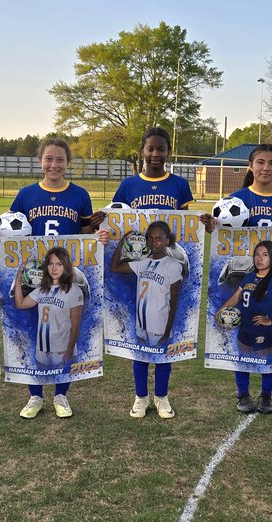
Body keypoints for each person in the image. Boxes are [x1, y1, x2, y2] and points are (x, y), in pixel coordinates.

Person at [99, 127, 194, 419]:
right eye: (150, 148)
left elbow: (186, 229)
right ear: (142, 150)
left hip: (167, 266)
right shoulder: (128, 185)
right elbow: (117, 221)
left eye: (161, 149)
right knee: (139, 337)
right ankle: (140, 396)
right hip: (139, 267)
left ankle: (162, 396)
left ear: (168, 152)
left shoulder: (179, 185)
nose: (155, 154)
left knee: (163, 334)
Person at [202, 144, 272, 413]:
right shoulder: (236, 199)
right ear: (250, 166)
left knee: (270, 336)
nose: (266, 168)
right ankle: (243, 394)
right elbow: (222, 235)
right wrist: (211, 227)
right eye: (260, 162)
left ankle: (266, 395)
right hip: (246, 276)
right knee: (243, 335)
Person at [9, 137, 97, 417]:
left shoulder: (80, 195)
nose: (54, 164)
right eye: (49, 159)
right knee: (35, 333)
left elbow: (85, 237)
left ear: (68, 163)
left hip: (63, 276)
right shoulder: (25, 195)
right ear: (40, 161)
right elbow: (11, 232)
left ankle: (61, 394)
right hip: (36, 277)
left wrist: (98, 236)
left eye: (60, 159)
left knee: (62, 333)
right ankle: (35, 395)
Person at [110, 221, 184, 414]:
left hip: (160, 325)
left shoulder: (173, 266)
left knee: (162, 361)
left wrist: (167, 332)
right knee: (140, 360)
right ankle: (141, 398)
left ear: (167, 240)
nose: (154, 242)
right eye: (150, 239)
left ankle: (161, 398)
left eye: (159, 239)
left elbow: (174, 302)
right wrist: (123, 242)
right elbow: (115, 267)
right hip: (141, 323)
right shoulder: (143, 262)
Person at [216, 240, 272, 414]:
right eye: (257, 254)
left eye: (265, 255)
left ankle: (266, 396)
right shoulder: (249, 277)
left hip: (263, 331)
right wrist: (220, 311)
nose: (259, 258)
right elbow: (236, 298)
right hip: (244, 328)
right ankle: (243, 395)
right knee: (242, 361)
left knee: (267, 362)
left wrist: (271, 320)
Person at [12, 247, 84, 419]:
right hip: (42, 345)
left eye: (59, 264)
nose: (54, 268)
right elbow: (20, 304)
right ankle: (36, 399)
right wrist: (18, 280)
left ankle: (60, 398)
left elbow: (76, 324)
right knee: (38, 374)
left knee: (62, 374)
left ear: (66, 266)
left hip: (62, 344)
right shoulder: (41, 289)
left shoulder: (73, 290)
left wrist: (69, 349)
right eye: (51, 264)